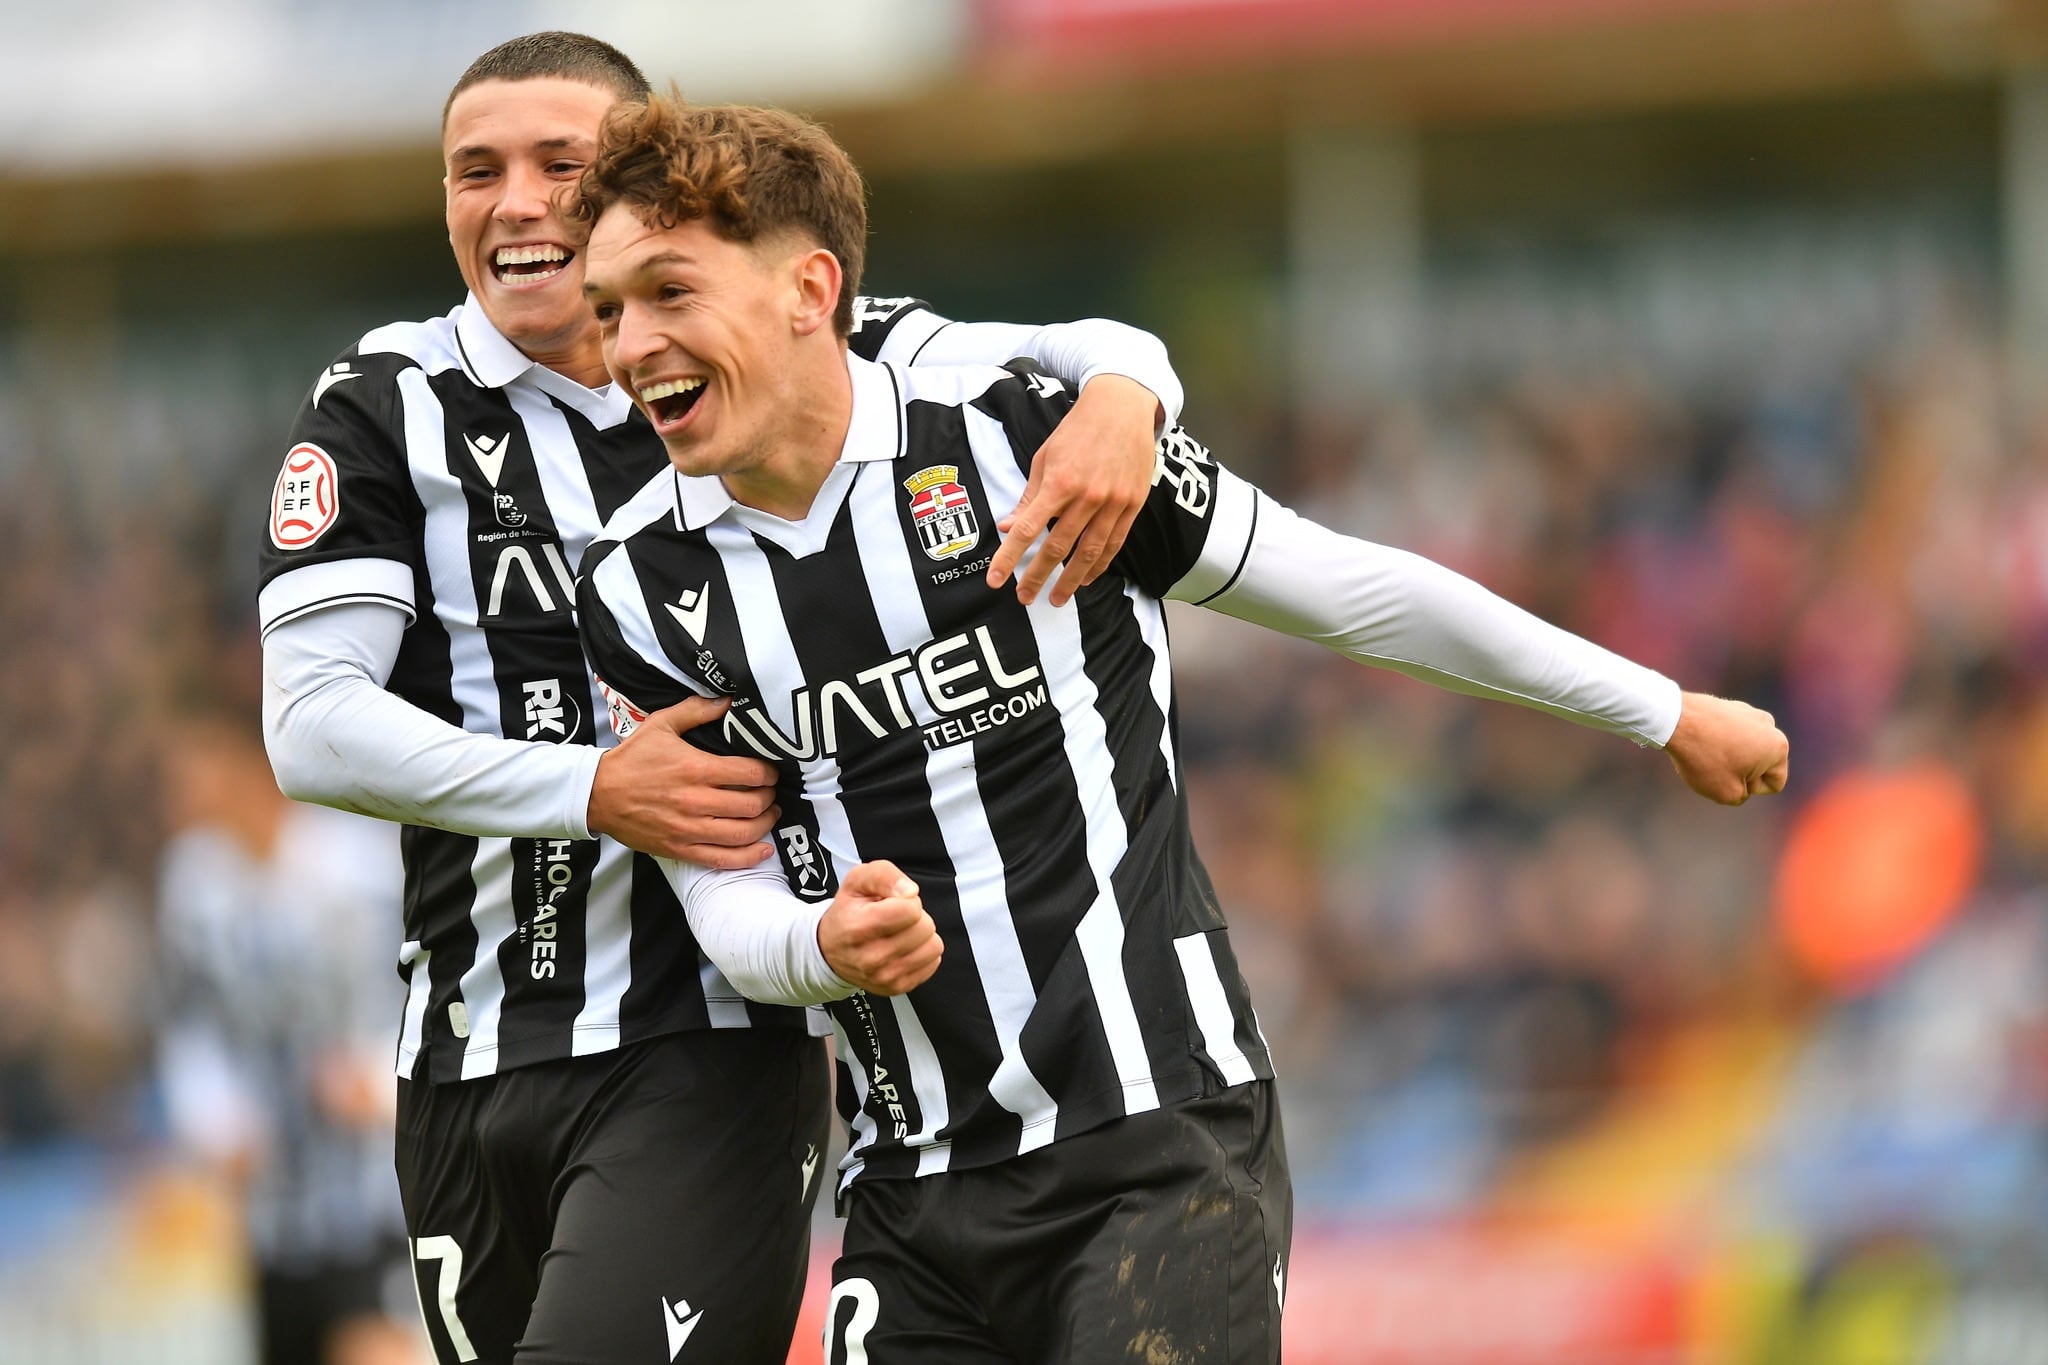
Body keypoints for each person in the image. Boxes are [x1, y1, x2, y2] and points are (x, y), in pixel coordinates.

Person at [569, 97, 1791, 1365]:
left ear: (809, 290)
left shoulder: (1021, 438)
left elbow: (1351, 591)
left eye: (668, 291)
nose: (630, 345)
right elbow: (723, 899)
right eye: (607, 311)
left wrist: (1661, 710)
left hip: (1157, 1146)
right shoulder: (631, 588)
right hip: (907, 1196)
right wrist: (819, 945)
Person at [256, 31, 1188, 1365]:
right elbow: (308, 725)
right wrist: (594, 789)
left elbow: (1070, 347)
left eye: (559, 164)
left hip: (710, 1037)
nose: (515, 203)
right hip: (463, 1055)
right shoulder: (383, 405)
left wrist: (1129, 395)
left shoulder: (761, 354)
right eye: (475, 171)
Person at [156, 714, 425, 1365]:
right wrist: (216, 1120)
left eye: (197, 769)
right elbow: (187, 1023)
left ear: (251, 765)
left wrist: (379, 1082)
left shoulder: (361, 868)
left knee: (372, 1348)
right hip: (274, 1211)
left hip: (374, 1189)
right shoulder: (193, 885)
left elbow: (427, 987)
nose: (180, 792)